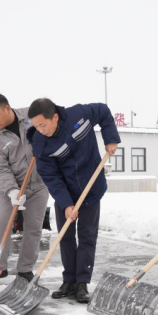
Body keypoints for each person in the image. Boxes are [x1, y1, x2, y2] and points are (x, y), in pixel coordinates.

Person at [27, 98, 120, 303]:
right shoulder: (40, 143)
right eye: (35, 126)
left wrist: (110, 138)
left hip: (91, 187)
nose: (40, 130)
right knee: (65, 237)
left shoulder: (79, 115)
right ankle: (69, 280)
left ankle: (82, 283)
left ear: (55, 117)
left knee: (87, 236)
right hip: (65, 192)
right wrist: (66, 203)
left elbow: (103, 111)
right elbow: (51, 177)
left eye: (42, 125)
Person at [0, 93, 50, 283]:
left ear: (7, 108)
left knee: (33, 228)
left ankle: (25, 269)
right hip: (10, 187)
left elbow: (51, 123)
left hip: (38, 184)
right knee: (1, 225)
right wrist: (11, 191)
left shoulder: (30, 117)